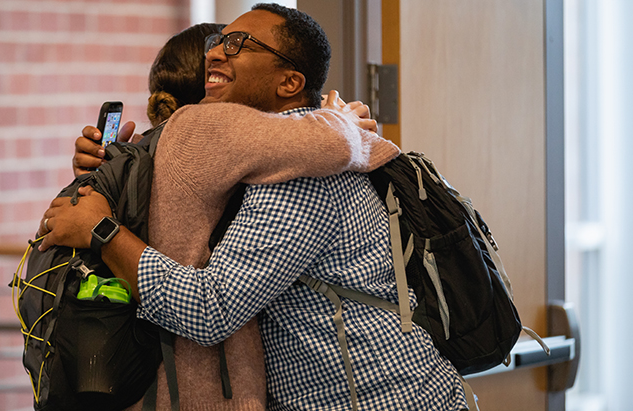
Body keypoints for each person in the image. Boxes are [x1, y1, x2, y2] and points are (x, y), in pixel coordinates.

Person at [41, 3, 469, 409]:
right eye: (217, 43)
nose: (216, 54)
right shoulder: (267, 156)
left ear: (289, 83)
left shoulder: (302, 179)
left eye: (238, 44)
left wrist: (101, 230)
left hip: (379, 399)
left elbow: (210, 308)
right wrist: (130, 172)